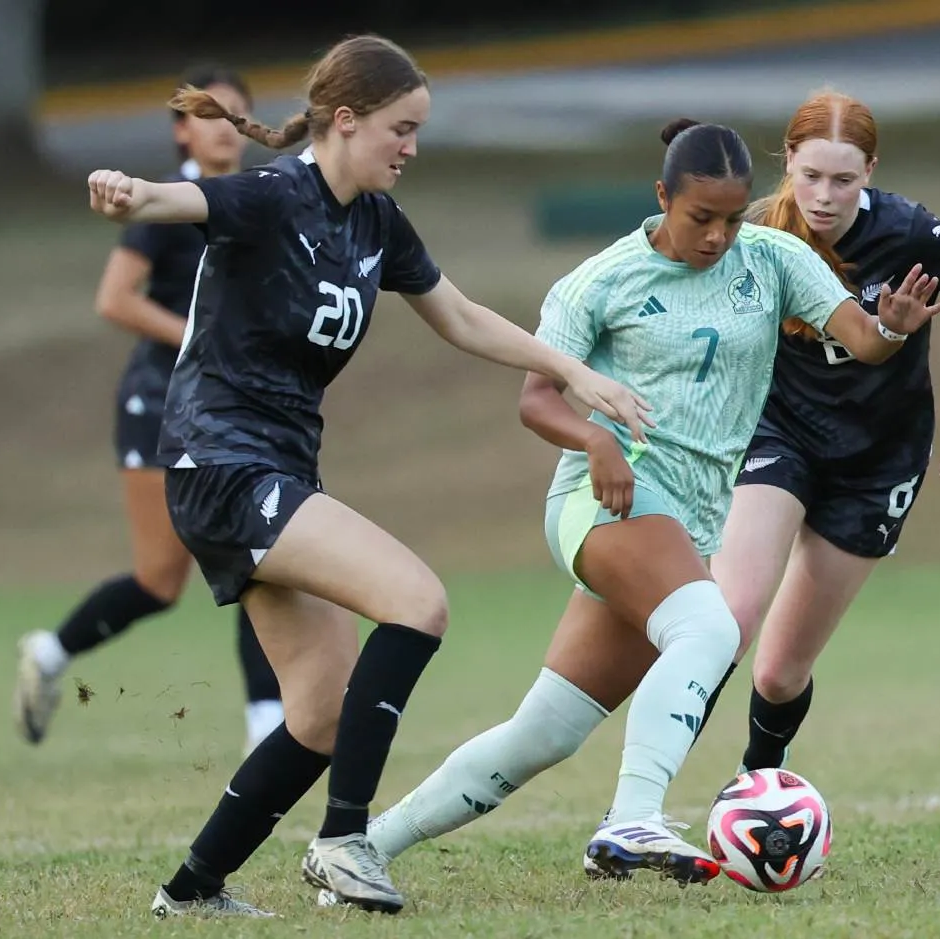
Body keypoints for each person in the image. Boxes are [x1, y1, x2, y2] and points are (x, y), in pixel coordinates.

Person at [84, 35, 652, 919]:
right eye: (402, 128)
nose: (412, 148)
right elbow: (178, 197)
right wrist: (129, 194)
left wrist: (572, 371)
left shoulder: (375, 221)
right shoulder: (271, 198)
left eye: (417, 130)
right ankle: (345, 839)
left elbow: (458, 316)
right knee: (416, 600)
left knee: (317, 709)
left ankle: (193, 890)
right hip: (220, 464)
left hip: (269, 468)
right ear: (345, 121)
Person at [362, 118, 940, 887]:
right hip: (604, 498)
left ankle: (361, 845)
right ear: (662, 196)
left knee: (546, 730)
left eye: (733, 218)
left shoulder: (773, 258)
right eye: (701, 216)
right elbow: (536, 401)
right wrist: (597, 443)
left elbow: (860, 340)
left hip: (687, 519)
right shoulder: (601, 281)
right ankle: (631, 818)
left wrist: (892, 332)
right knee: (709, 625)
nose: (717, 235)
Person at [705, 89, 940, 782]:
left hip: (876, 461)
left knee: (780, 669)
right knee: (725, 621)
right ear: (788, 160)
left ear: (871, 171)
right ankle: (636, 809)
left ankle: (758, 784)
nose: (824, 196)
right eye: (812, 174)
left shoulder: (911, 234)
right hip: (782, 434)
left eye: (844, 179)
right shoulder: (759, 235)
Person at [13, 65, 285, 756]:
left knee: (256, 551)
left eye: (237, 113)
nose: (224, 125)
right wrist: (202, 333)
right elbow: (116, 299)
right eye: (208, 113)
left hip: (233, 406)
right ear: (180, 128)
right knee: (160, 580)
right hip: (157, 402)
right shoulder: (169, 204)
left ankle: (266, 722)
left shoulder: (257, 197)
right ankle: (52, 651)